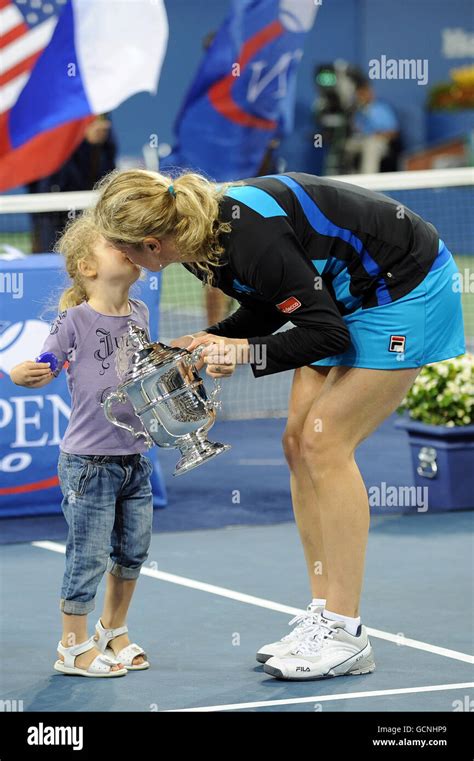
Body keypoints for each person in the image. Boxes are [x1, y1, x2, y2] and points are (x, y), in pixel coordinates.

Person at [91, 168, 465, 681]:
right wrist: (210, 337)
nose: (120, 260)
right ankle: (323, 613)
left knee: (325, 442)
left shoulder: (245, 239)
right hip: (340, 296)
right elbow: (270, 301)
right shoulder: (199, 239)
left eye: (123, 249)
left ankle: (346, 630)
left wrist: (242, 351)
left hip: (404, 288)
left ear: (153, 245)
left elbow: (324, 334)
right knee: (296, 442)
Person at [9, 212, 153, 677]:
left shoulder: (141, 314)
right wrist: (21, 374)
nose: (130, 250)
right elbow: (45, 363)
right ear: (87, 267)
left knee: (133, 551)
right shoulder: (74, 320)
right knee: (88, 554)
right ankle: (71, 646)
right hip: (89, 463)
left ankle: (113, 630)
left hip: (136, 458)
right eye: (117, 245)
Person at [28, 115, 117, 253]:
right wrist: (83, 141)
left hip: (90, 211)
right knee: (51, 258)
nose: (103, 125)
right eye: (94, 122)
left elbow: (107, 173)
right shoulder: (55, 126)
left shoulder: (105, 139)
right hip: (51, 212)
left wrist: (92, 145)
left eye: (103, 120)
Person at [346, 81, 401, 173]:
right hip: (360, 140)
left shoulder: (382, 108)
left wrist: (380, 135)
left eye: (365, 93)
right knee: (346, 146)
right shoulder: (357, 111)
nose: (362, 96)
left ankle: (367, 179)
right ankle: (347, 178)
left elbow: (394, 132)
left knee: (371, 145)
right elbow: (355, 129)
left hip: (380, 141)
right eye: (360, 94)